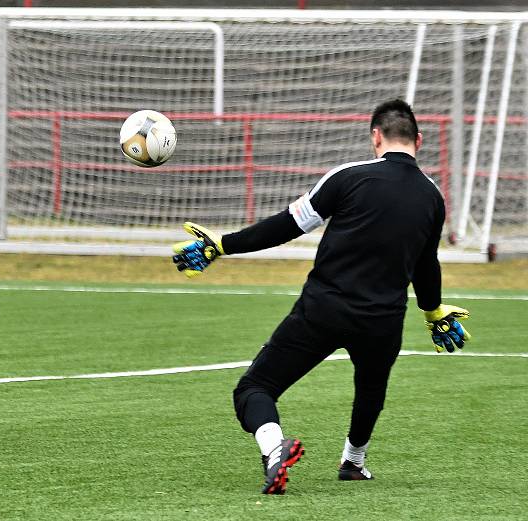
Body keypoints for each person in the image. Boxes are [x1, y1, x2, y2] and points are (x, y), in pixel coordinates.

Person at [171, 99, 470, 494]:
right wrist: (433, 313)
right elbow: (426, 263)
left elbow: (287, 226)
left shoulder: (349, 176)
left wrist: (222, 245)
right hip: (382, 321)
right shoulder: (433, 197)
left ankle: (274, 447)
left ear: (375, 136)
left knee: (254, 389)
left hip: (324, 310)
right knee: (370, 389)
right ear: (419, 140)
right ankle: (353, 462)